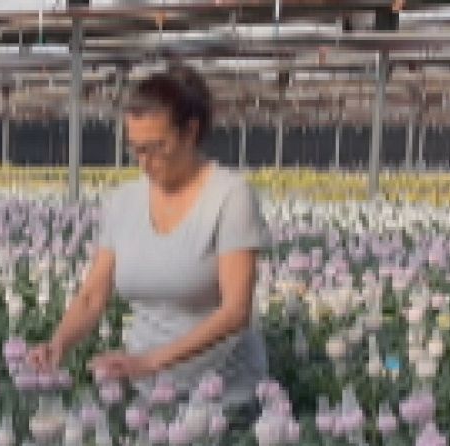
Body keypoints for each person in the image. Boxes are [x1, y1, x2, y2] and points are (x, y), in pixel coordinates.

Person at [28, 64, 271, 418]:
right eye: (137, 150)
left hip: (222, 397)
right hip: (147, 393)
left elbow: (235, 312)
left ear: (190, 132)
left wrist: (151, 361)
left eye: (158, 148)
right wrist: (58, 344)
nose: (146, 162)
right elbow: (93, 295)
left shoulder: (231, 197)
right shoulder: (122, 202)